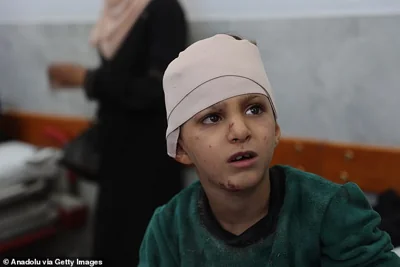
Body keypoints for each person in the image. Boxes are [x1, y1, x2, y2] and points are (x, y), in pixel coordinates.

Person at [138, 34, 400, 266]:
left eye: (255, 109)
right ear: (181, 148)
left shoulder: (330, 212)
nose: (240, 131)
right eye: (212, 118)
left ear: (275, 130)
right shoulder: (169, 230)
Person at [48, 0, 187, 264]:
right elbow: (120, 78)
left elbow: (158, 89)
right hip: (114, 158)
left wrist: (88, 79)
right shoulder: (115, 13)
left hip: (149, 161)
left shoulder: (163, 9)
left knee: (146, 247)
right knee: (110, 245)